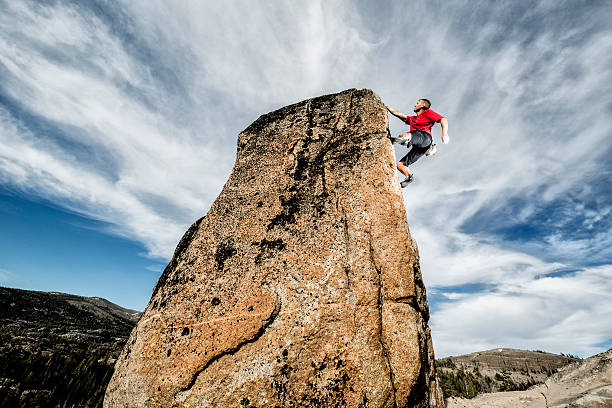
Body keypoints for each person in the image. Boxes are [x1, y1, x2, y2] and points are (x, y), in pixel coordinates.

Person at [385, 99, 449, 187]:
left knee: (406, 135)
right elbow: (398, 114)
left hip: (425, 138)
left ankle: (405, 139)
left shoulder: (427, 112)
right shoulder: (412, 119)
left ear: (423, 105)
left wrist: (444, 134)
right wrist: (386, 107)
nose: (415, 105)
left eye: (417, 103)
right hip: (420, 148)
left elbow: (443, 119)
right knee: (400, 165)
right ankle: (408, 177)